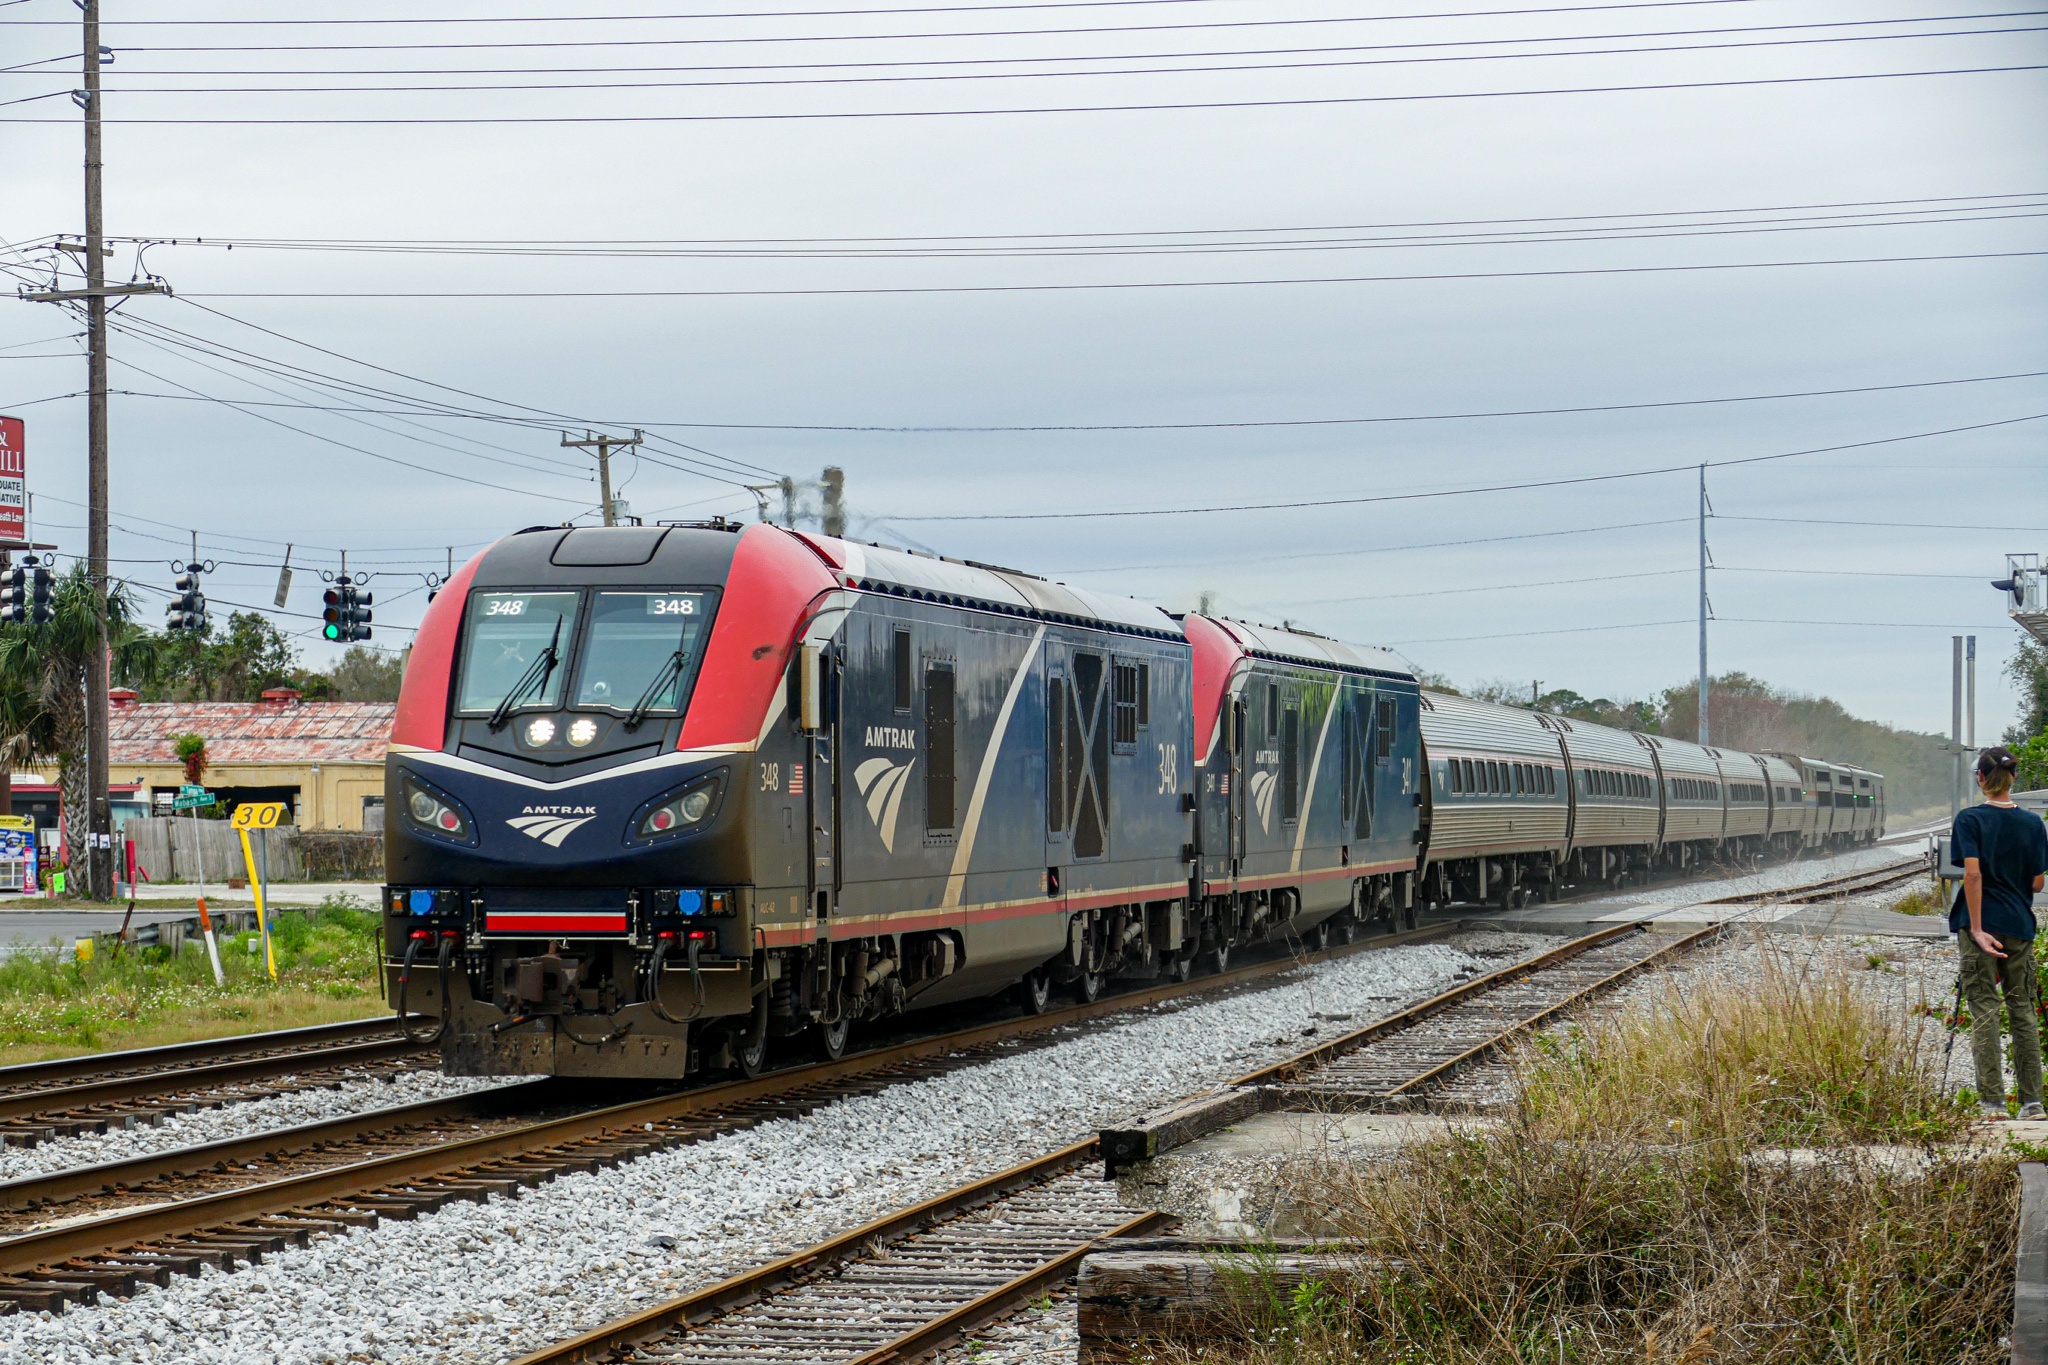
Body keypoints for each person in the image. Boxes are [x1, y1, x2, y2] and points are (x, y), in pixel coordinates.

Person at [1950, 746, 2048, 1120]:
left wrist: (1976, 928)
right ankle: (2032, 1103)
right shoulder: (2032, 824)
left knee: (1984, 1010)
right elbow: (2037, 883)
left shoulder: (1969, 820)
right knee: (2022, 1010)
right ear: (2013, 779)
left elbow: (1972, 874)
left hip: (1982, 924)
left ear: (1981, 778)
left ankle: (1992, 1104)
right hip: (2019, 926)